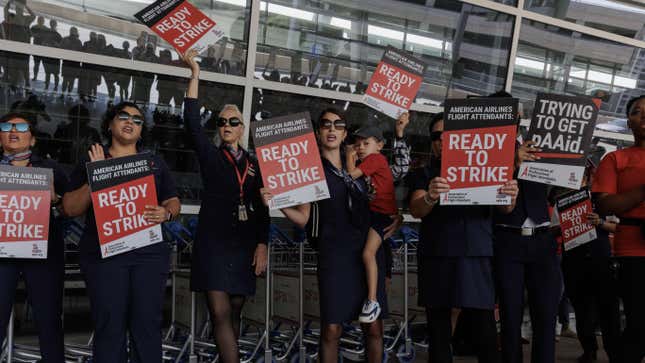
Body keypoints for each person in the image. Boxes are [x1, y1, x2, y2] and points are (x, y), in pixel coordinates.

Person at [263, 107, 401, 363]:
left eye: (338, 125)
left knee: (373, 327)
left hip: (367, 255)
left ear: (345, 133)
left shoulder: (361, 165)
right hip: (334, 256)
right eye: (326, 124)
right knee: (331, 329)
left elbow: (383, 198)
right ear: (317, 133)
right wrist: (277, 202)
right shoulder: (310, 172)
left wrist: (396, 216)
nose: (332, 129)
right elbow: (304, 219)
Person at [62, 102, 181, 363]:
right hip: (105, 256)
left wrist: (167, 213)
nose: (130, 122)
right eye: (123, 116)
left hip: (148, 255)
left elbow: (173, 201)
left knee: (147, 326)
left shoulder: (154, 163)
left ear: (141, 130)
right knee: (110, 326)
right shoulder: (92, 159)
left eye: (137, 120)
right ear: (110, 124)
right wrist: (97, 174)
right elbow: (70, 208)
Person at [409, 111, 519, 363]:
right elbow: (416, 209)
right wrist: (430, 196)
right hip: (437, 255)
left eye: (452, 133)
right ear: (433, 141)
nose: (444, 139)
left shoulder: (488, 168)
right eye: (438, 135)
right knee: (439, 332)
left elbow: (506, 208)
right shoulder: (425, 174)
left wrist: (510, 194)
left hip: (476, 254)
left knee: (485, 331)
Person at [182, 50, 269, 363]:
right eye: (222, 122)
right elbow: (192, 124)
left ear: (242, 128)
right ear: (218, 128)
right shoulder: (211, 157)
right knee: (219, 312)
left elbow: (262, 210)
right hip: (214, 244)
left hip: (244, 244)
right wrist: (195, 75)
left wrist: (263, 244)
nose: (227, 125)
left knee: (233, 311)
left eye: (234, 121)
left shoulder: (257, 165)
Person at [0, 111, 68, 363]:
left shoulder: (49, 168)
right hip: (2, 254)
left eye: (21, 127)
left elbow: (71, 208)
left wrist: (56, 199)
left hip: (43, 254)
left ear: (32, 139)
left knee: (48, 318)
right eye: (6, 126)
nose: (13, 131)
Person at [550, 161, 621, 363]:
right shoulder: (563, 201)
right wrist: (566, 224)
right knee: (582, 308)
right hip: (574, 261)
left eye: (585, 177)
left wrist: (600, 222)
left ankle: (614, 352)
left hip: (601, 260)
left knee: (608, 308)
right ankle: (589, 350)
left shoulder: (606, 200)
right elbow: (553, 230)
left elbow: (619, 227)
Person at [593, 95, 645, 363]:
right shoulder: (616, 159)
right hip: (634, 249)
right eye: (637, 112)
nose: (644, 116)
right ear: (629, 122)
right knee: (639, 322)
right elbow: (604, 205)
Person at [345, 126, 398, 322]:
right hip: (377, 214)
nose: (360, 148)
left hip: (381, 215)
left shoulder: (375, 160)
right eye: (357, 145)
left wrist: (349, 157)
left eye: (366, 144)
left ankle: (372, 300)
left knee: (368, 253)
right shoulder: (374, 162)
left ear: (380, 145)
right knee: (369, 253)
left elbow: (350, 177)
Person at [60, 27, 82, 96]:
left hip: (70, 63)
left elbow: (61, 48)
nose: (72, 32)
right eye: (72, 31)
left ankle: (65, 94)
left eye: (73, 31)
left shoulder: (67, 39)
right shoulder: (78, 41)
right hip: (71, 63)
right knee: (68, 80)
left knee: (68, 80)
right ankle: (66, 94)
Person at [42, 19, 62, 92]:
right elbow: (42, 43)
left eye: (53, 23)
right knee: (49, 73)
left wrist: (55, 45)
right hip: (49, 56)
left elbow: (61, 46)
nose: (52, 25)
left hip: (53, 57)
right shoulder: (55, 34)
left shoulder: (57, 35)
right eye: (52, 23)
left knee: (53, 74)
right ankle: (49, 87)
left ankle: (54, 87)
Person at [30, 16, 48, 82]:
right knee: (37, 64)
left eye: (41, 20)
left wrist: (36, 35)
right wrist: (35, 35)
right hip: (38, 49)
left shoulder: (44, 28)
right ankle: (35, 77)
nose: (41, 21)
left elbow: (48, 38)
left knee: (43, 65)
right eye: (40, 20)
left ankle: (38, 77)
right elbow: (30, 34)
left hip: (41, 49)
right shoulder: (35, 27)